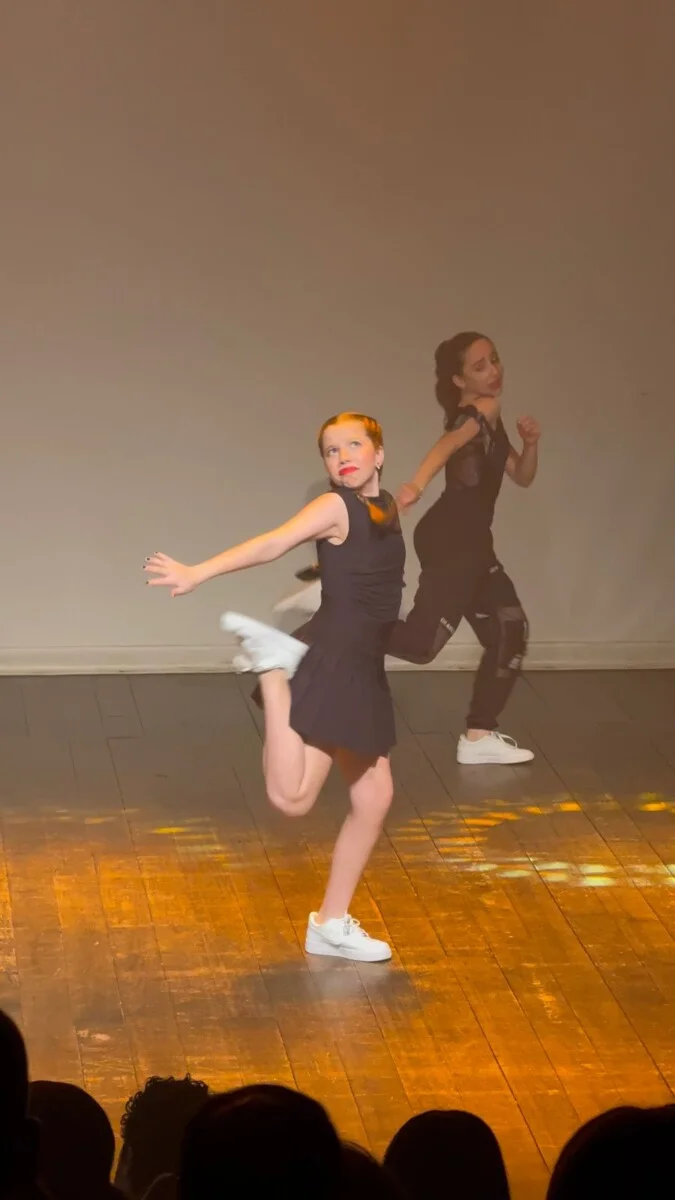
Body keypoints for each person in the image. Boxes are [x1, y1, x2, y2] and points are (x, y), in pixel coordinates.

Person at [144, 412, 404, 962]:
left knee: (374, 796)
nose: (343, 457)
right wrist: (198, 572)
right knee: (291, 798)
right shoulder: (336, 506)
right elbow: (274, 543)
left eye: (353, 445)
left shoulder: (385, 508)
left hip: (363, 663)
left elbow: (364, 578)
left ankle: (329, 924)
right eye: (331, 451)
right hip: (336, 659)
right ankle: (271, 669)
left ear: (379, 453)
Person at [386, 332, 540, 765]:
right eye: (479, 366)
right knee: (421, 646)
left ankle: (478, 736)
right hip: (453, 538)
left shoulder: (490, 417)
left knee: (509, 628)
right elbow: (447, 444)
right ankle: (335, 622)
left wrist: (531, 444)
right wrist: (415, 485)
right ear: (459, 379)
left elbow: (522, 476)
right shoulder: (479, 411)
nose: (494, 371)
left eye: (495, 359)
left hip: (471, 541)